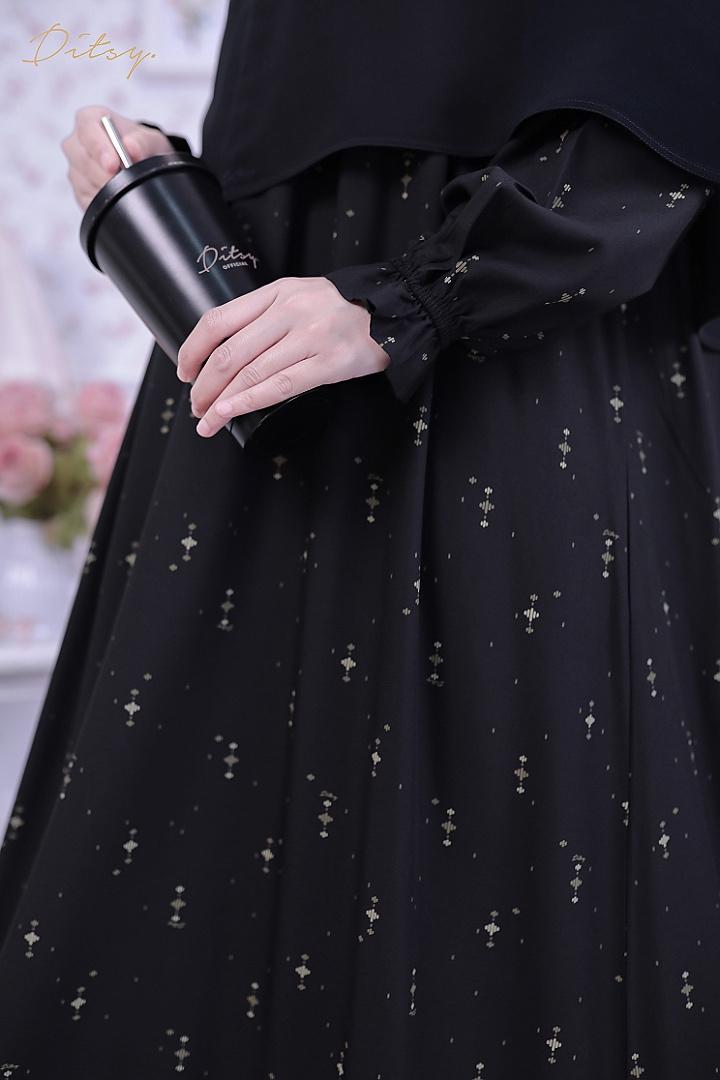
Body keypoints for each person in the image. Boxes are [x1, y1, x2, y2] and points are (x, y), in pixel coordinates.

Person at [1, 3, 720, 1077]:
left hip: (511, 365)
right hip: (275, 365)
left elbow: (662, 90)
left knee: (491, 904)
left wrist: (420, 298)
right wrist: (185, 200)